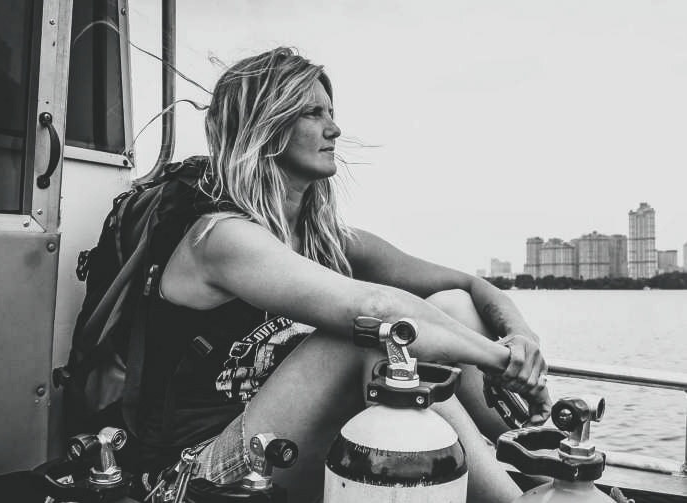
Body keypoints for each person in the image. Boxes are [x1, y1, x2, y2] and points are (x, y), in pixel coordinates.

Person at [138, 47, 550, 503]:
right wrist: (500, 362)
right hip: (196, 475)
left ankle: (538, 470)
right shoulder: (219, 237)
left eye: (331, 113)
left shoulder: (328, 242)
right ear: (264, 125)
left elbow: (471, 286)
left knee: (452, 305)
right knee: (367, 336)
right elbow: (377, 310)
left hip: (285, 454)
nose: (334, 129)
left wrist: (520, 340)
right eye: (312, 113)